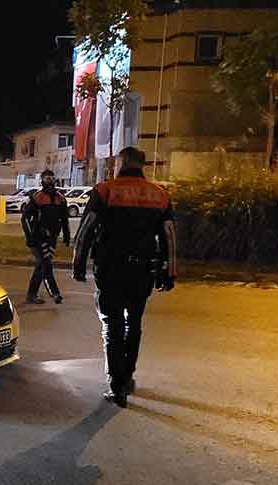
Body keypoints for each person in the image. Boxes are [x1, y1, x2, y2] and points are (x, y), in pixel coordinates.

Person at [73, 147, 177, 408]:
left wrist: (78, 262)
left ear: (123, 162)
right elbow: (169, 236)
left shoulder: (106, 190)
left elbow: (86, 229)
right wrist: (169, 271)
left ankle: (116, 385)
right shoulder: (160, 195)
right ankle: (128, 376)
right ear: (142, 165)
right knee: (134, 324)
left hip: (110, 270)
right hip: (142, 271)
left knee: (112, 325)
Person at [21, 170, 71, 305]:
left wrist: (66, 234)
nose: (49, 181)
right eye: (46, 178)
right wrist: (29, 237)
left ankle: (31, 295)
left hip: (52, 239)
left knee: (40, 266)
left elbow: (64, 218)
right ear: (42, 180)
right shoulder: (37, 197)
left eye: (51, 178)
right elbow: (25, 218)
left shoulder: (60, 198)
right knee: (46, 265)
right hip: (38, 238)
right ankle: (55, 293)